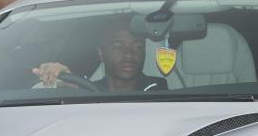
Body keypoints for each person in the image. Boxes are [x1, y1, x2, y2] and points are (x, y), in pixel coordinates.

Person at [32, 14, 167, 92]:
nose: (129, 55)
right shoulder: (90, 90)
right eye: (118, 47)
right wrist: (63, 80)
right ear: (101, 54)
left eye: (137, 47)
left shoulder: (157, 89)